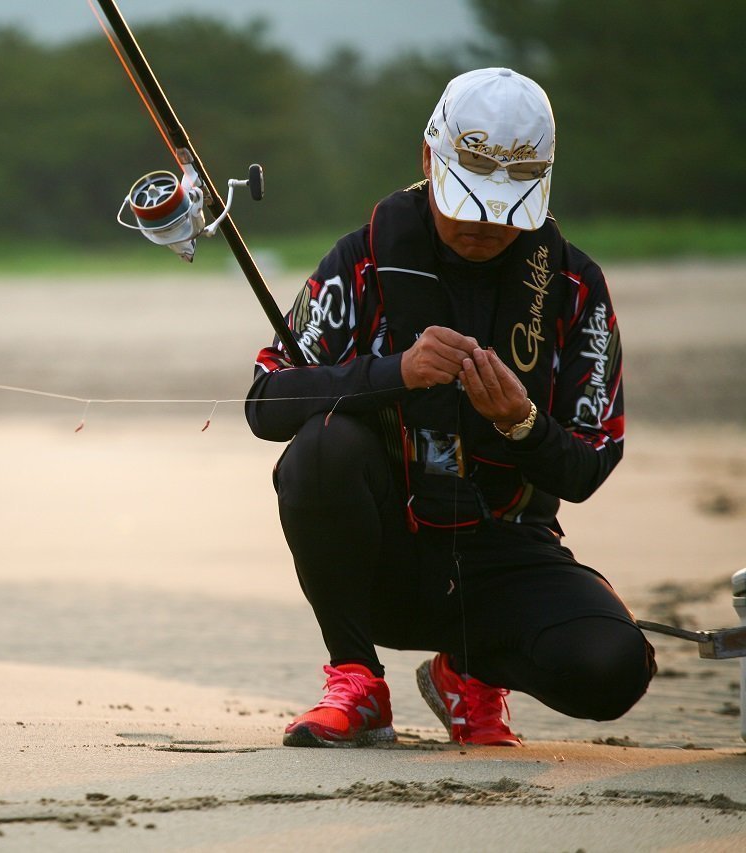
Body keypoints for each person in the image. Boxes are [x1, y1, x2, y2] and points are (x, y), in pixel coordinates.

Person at [245, 67, 655, 748]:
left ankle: (467, 672)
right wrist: (393, 372)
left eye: (507, 206)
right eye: (468, 200)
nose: (486, 223)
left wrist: (521, 423)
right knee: (320, 448)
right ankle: (356, 680)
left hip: (506, 554)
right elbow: (265, 401)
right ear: (428, 159)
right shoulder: (363, 261)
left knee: (613, 670)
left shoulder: (576, 287)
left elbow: (587, 468)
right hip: (387, 552)